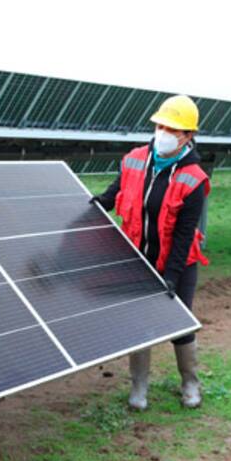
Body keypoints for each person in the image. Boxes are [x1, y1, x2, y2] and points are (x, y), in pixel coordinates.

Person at [90, 94, 210, 411]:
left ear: (188, 135)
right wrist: (101, 201)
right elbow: (117, 191)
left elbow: (185, 234)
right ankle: (139, 386)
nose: (163, 132)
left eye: (172, 128)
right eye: (160, 125)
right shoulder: (134, 159)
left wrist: (171, 275)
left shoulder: (193, 178)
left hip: (177, 263)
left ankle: (190, 383)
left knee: (180, 323)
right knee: (138, 324)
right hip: (137, 258)